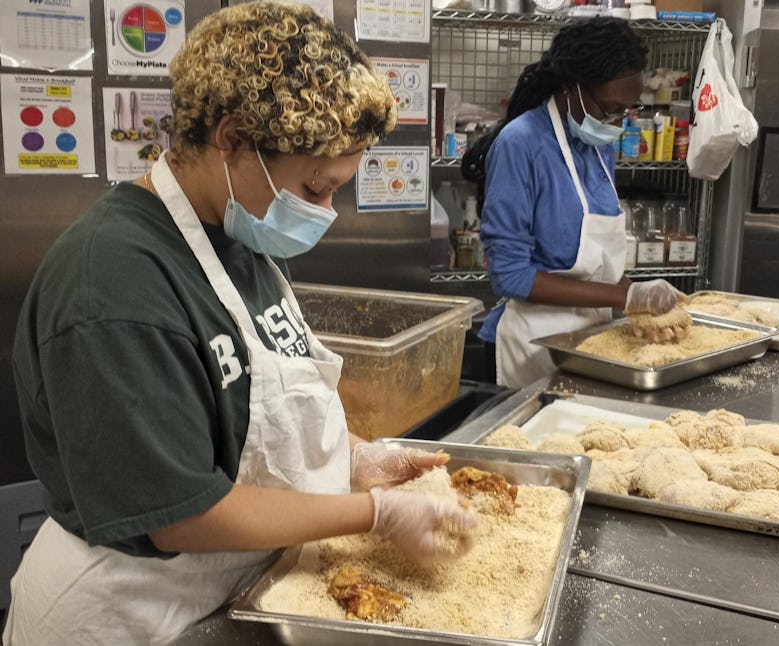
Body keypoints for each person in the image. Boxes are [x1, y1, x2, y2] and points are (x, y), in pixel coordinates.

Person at [4, 4, 477, 644]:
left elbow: (250, 417)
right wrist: (375, 513)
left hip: (229, 593)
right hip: (134, 615)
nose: (326, 212)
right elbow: (183, 516)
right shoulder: (111, 286)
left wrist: (356, 460)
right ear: (231, 139)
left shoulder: (235, 235)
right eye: (314, 188)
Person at [461, 17, 685, 389]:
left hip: (590, 339)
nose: (616, 123)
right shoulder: (522, 144)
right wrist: (626, 296)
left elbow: (595, 264)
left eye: (626, 111)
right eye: (610, 109)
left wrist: (644, 295)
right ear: (571, 87)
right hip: (532, 343)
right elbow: (510, 275)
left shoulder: (598, 147)